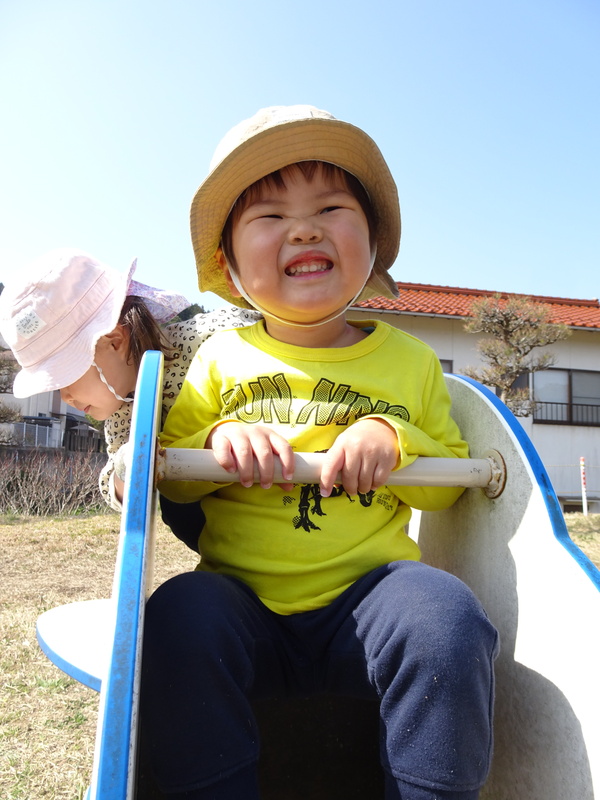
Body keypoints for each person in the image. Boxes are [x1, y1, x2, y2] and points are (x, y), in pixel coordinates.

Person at [142, 105, 499, 799]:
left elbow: (447, 483)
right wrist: (216, 440)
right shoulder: (219, 359)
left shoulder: (412, 361)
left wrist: (392, 438)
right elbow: (175, 483)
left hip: (369, 596)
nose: (302, 227)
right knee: (180, 617)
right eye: (270, 217)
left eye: (329, 207)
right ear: (228, 265)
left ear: (371, 246)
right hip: (242, 599)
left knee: (446, 618)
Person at [0, 248, 260, 550]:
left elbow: (276, 337)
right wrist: (129, 468)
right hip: (227, 521)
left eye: (65, 377)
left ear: (115, 341)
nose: (66, 396)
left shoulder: (206, 339)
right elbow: (113, 479)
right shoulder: (125, 409)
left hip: (281, 466)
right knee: (177, 509)